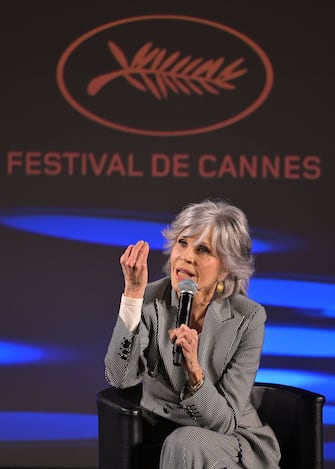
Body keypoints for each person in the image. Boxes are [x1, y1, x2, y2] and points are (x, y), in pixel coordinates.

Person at [104, 199, 281, 469]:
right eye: (182, 243)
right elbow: (119, 377)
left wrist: (195, 371)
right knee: (179, 442)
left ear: (225, 268)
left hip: (229, 441)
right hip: (161, 431)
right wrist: (132, 297)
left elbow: (225, 421)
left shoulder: (248, 318)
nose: (186, 256)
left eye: (203, 249)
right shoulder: (150, 299)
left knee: (183, 443)